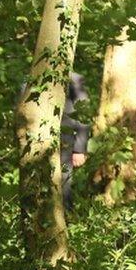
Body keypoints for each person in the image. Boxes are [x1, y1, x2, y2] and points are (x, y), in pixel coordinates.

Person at [60, 72, 91, 210]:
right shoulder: (30, 77)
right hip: (38, 139)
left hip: (65, 138)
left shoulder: (73, 79)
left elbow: (83, 112)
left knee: (63, 182)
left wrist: (79, 149)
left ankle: (66, 217)